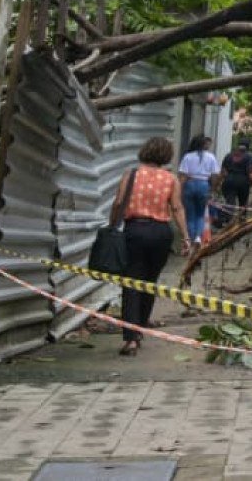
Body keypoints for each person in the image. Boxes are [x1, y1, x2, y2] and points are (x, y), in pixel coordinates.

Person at [107, 136, 189, 356]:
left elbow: (117, 203)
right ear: (166, 156)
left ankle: (131, 338)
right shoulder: (171, 179)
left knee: (132, 282)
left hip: (135, 230)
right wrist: (186, 238)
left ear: (144, 151)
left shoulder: (131, 175)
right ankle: (140, 327)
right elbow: (178, 208)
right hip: (162, 234)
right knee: (150, 283)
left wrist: (112, 225)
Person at [177, 135, 220, 243]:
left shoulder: (187, 157)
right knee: (200, 215)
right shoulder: (211, 157)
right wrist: (212, 189)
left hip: (190, 185)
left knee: (190, 215)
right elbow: (215, 175)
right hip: (204, 184)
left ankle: (191, 239)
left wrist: (179, 190)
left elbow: (183, 175)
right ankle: (198, 238)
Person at [217, 143, 252, 228]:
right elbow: (250, 172)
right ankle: (242, 221)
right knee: (243, 202)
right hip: (243, 182)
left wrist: (217, 183)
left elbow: (223, 172)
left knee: (230, 202)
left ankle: (226, 220)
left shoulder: (228, 156)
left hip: (229, 181)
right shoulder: (248, 156)